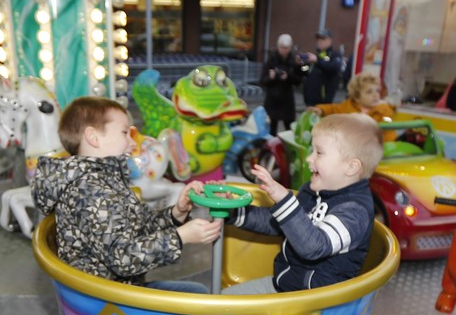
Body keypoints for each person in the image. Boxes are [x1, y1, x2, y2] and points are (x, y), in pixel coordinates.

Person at [30, 96, 221, 292]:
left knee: (196, 292)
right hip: (105, 298)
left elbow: (138, 226)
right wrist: (180, 237)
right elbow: (122, 257)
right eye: (124, 133)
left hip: (117, 289)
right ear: (93, 137)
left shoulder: (105, 180)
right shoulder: (91, 190)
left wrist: (176, 213)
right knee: (198, 295)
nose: (132, 143)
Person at [223, 113, 381, 295]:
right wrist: (235, 212)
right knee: (223, 301)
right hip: (285, 287)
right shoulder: (313, 192)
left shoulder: (354, 211)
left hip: (317, 302)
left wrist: (284, 200)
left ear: (351, 167)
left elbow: (313, 247)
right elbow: (278, 223)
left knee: (225, 308)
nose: (309, 158)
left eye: (319, 153)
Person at [259, 34, 303, 133]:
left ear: (290, 48)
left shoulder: (294, 60)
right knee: (271, 129)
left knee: (289, 129)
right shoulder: (271, 60)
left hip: (287, 99)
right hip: (272, 100)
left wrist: (288, 77)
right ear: (278, 47)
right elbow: (262, 81)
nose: (284, 50)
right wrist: (271, 77)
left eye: (286, 48)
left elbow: (299, 81)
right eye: (281, 47)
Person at [313, 72, 395, 124]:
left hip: (376, 143)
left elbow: (389, 122)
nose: (375, 95)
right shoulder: (347, 106)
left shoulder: (383, 109)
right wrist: (320, 109)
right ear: (357, 97)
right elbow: (332, 108)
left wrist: (385, 118)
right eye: (369, 92)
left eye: (377, 91)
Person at [300, 29, 343, 107]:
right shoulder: (317, 55)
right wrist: (301, 65)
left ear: (329, 40)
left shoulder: (334, 55)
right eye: (318, 39)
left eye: (322, 39)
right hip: (309, 101)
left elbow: (334, 68)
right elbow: (307, 70)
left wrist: (317, 60)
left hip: (323, 102)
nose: (319, 41)